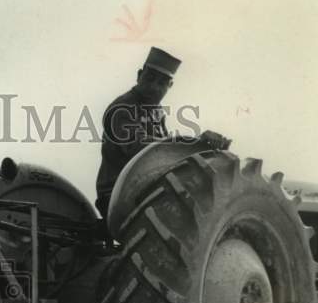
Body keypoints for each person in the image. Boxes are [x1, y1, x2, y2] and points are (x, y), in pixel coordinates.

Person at [94, 47, 229, 218]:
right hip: (117, 195)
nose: (154, 87)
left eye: (162, 83)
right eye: (150, 78)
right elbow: (140, 148)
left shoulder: (156, 111)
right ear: (139, 75)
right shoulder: (122, 108)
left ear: (170, 86)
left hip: (145, 189)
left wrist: (206, 149)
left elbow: (165, 154)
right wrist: (195, 142)